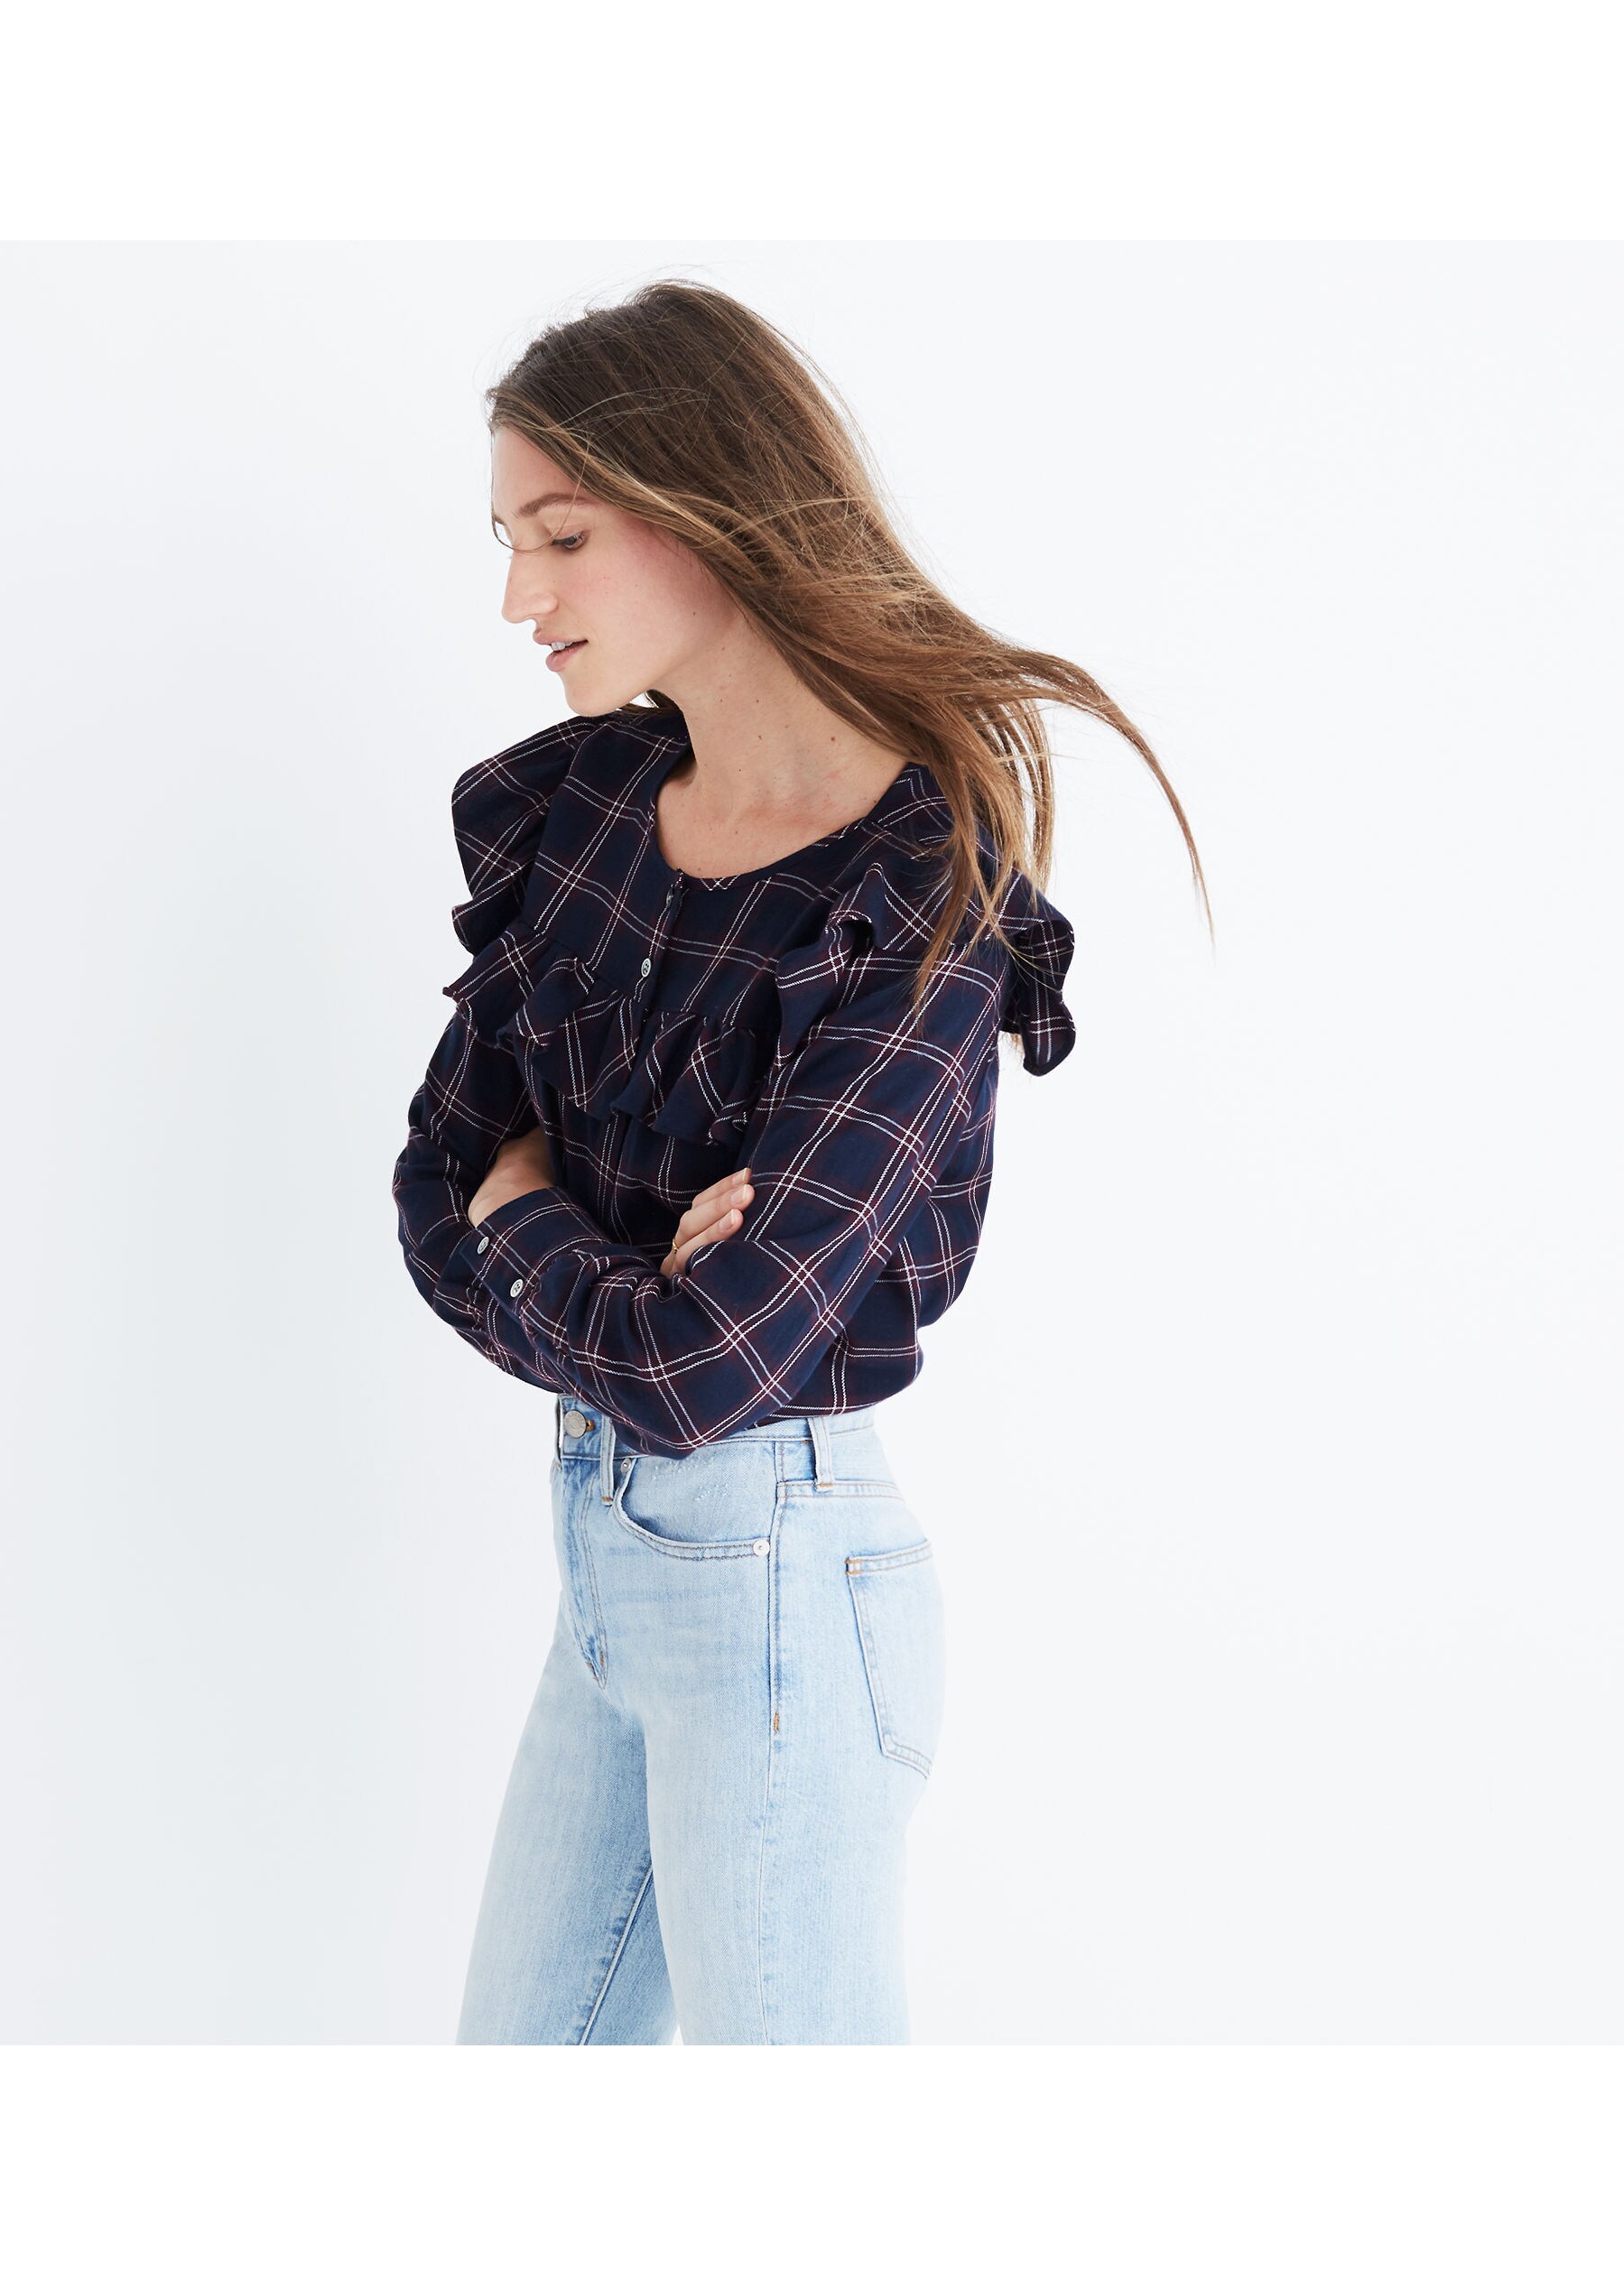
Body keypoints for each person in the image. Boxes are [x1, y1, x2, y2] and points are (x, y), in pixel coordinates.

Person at [393, 279, 1209, 2044]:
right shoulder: (585, 812)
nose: (520, 598)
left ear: (706, 507)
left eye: (561, 536)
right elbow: (429, 1196)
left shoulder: (914, 889)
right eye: (509, 542)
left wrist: (532, 1210)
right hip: (602, 1573)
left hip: (775, 1581)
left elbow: (709, 1366)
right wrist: (608, 1273)